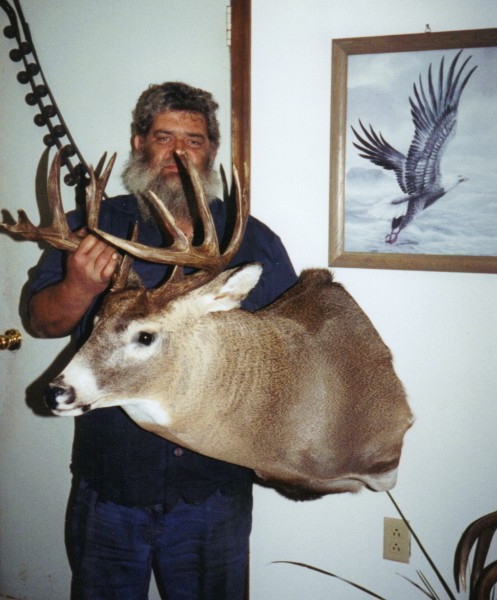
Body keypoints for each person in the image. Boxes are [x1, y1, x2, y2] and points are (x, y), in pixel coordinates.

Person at [27, 81, 297, 599]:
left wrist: (274, 443)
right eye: (163, 136)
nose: (177, 152)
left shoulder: (250, 239)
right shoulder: (96, 226)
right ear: (138, 143)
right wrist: (79, 286)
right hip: (112, 478)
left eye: (193, 140)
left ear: (211, 151)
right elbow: (42, 322)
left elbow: (287, 347)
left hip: (212, 483)